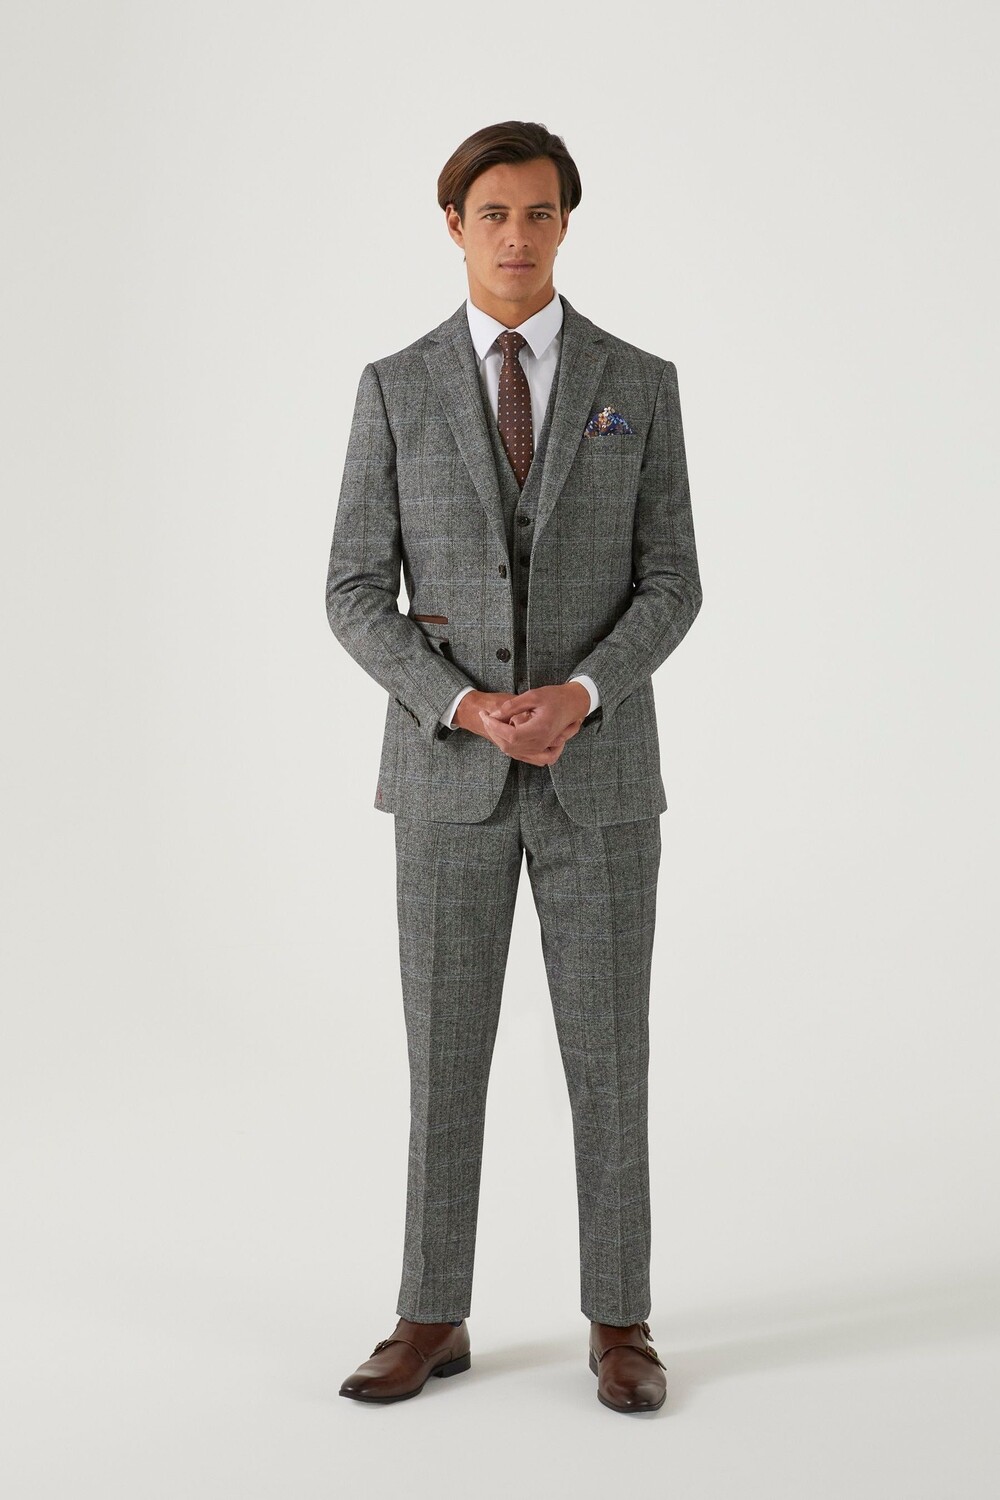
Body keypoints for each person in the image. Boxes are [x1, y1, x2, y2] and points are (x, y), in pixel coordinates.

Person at [325, 119, 702, 1414]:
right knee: (445, 1057)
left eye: (540, 212)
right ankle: (431, 1312)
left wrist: (582, 695)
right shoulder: (394, 387)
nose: (518, 235)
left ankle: (621, 1321)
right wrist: (468, 705)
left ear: (565, 224)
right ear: (455, 227)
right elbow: (354, 592)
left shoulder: (638, 382)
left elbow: (673, 580)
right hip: (448, 780)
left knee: (610, 1056)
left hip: (602, 780)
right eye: (493, 213)